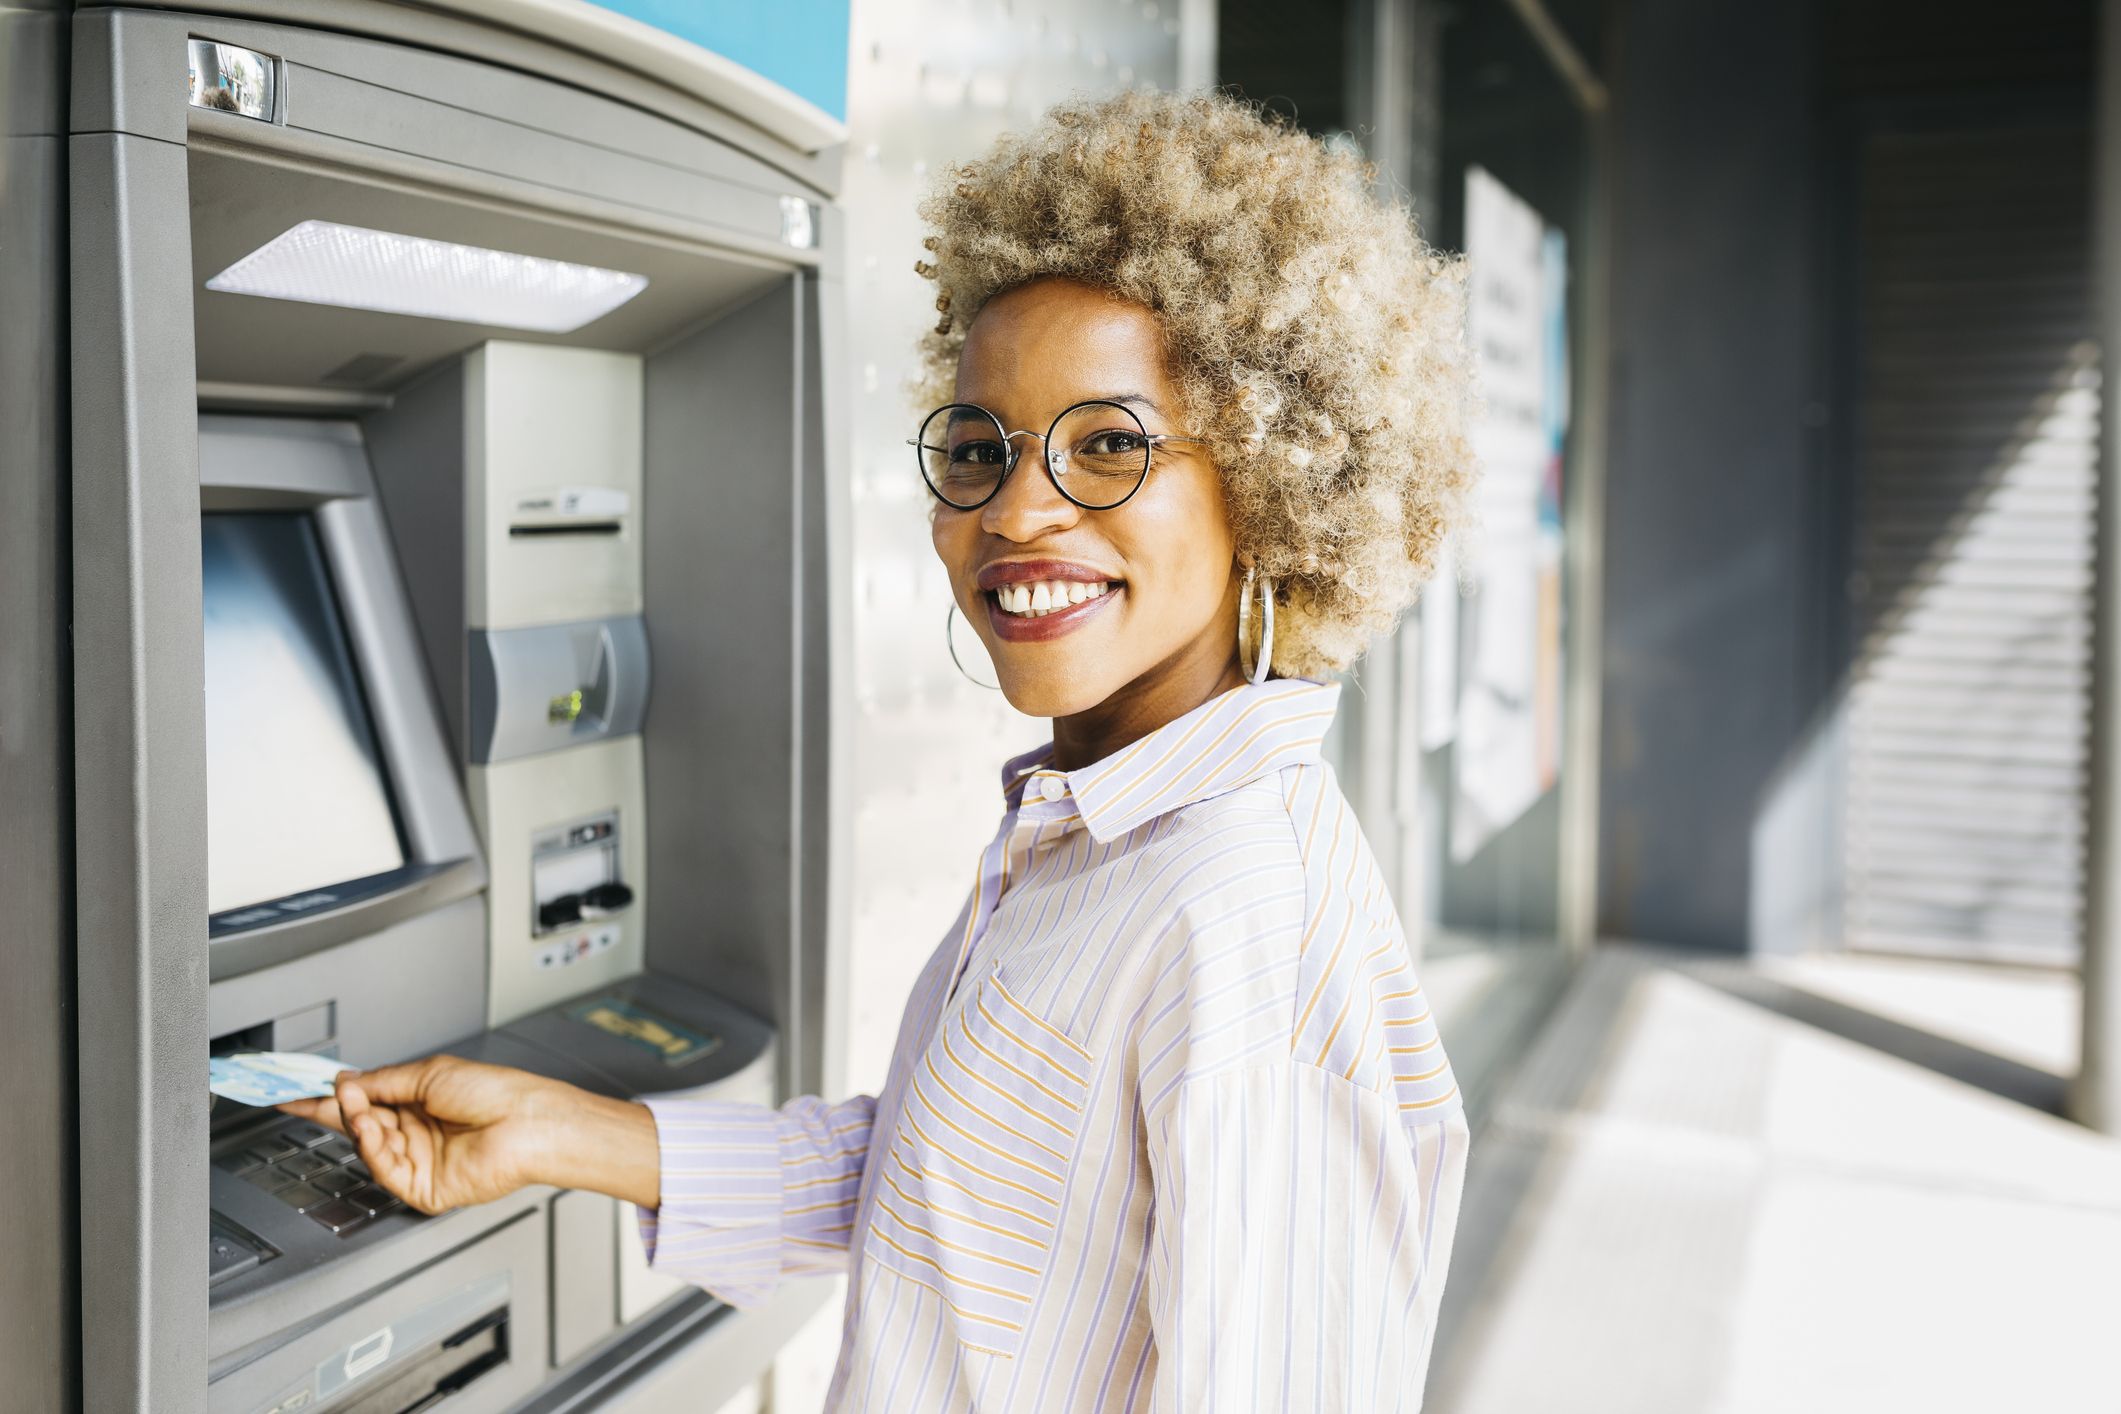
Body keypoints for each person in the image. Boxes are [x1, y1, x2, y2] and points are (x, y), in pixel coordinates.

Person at [285, 89, 1479, 1411]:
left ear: (1265, 487)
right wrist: (563, 1130)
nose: (1017, 506)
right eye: (981, 447)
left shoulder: (1250, 919)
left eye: (1106, 446)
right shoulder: (1096, 836)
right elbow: (968, 1198)